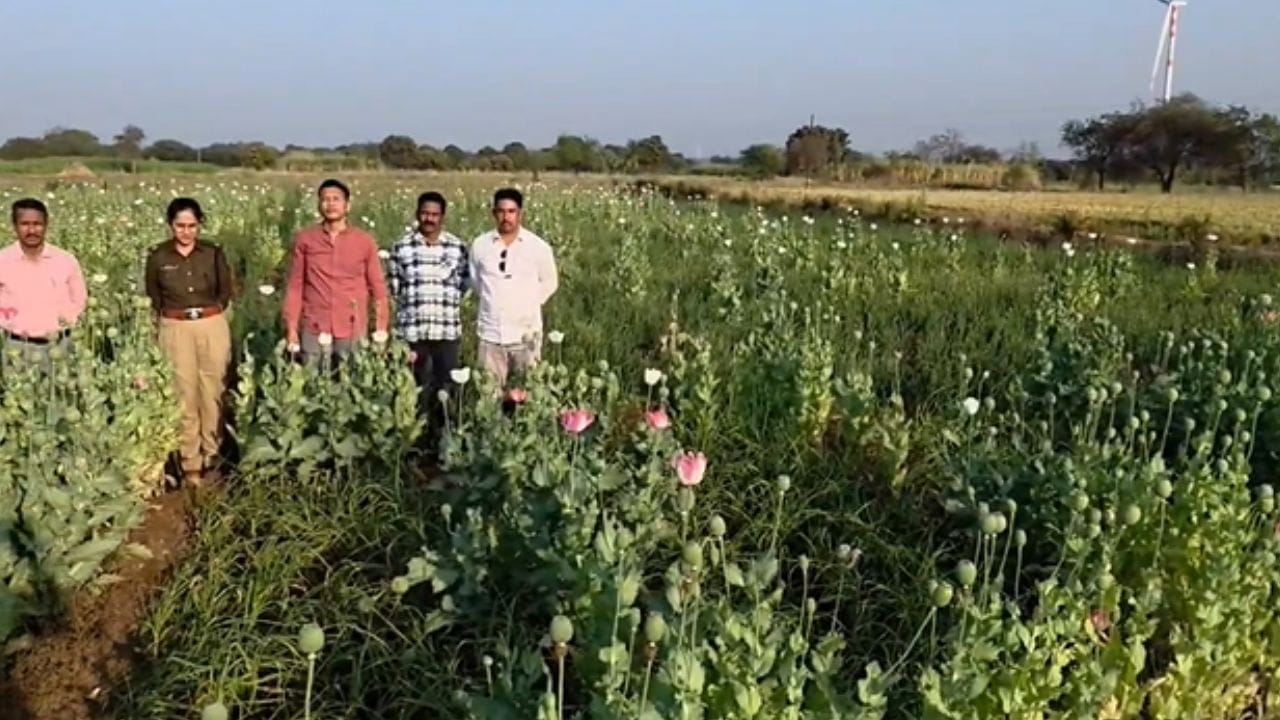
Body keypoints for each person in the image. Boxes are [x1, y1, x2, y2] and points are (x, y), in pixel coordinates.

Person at [144, 198, 235, 486]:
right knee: (183, 393)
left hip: (210, 324)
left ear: (199, 224)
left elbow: (225, 291)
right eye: (180, 226)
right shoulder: (158, 257)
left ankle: (213, 457)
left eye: (192, 226)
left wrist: (210, 314)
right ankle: (189, 464)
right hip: (175, 326)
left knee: (214, 390)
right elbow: (153, 296)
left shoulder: (213, 253)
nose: (186, 232)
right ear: (170, 225)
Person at [387, 191, 470, 447]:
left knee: (446, 388)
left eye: (435, 214)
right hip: (412, 332)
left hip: (446, 332)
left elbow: (465, 285)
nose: (429, 219)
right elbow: (393, 286)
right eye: (425, 213)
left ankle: (444, 440)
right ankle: (415, 442)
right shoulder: (402, 247)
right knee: (414, 389)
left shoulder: (457, 248)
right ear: (417, 214)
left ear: (443, 217)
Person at [282, 179, 389, 362]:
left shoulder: (364, 241)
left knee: (352, 381)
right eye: (325, 199)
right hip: (315, 325)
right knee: (312, 381)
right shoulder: (306, 239)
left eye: (336, 199)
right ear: (319, 205)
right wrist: (291, 329)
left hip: (351, 326)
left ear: (347, 205)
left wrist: (380, 329)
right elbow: (295, 286)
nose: (330, 204)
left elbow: (377, 288)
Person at [469, 188, 558, 390]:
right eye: (501, 211)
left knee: (529, 394)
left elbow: (550, 282)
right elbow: (477, 282)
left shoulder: (538, 247)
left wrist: (529, 304)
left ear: (520, 214)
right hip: (490, 334)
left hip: (526, 336)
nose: (506, 217)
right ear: (494, 213)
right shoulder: (480, 245)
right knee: (489, 396)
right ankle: (492, 423)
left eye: (511, 211)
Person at [0, 198, 86, 358]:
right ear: (15, 227)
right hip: (16, 347)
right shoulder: (3, 261)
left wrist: (68, 325)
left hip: (62, 344)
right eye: (25, 224)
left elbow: (80, 301)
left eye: (37, 224)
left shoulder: (66, 260)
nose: (32, 230)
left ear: (46, 225)